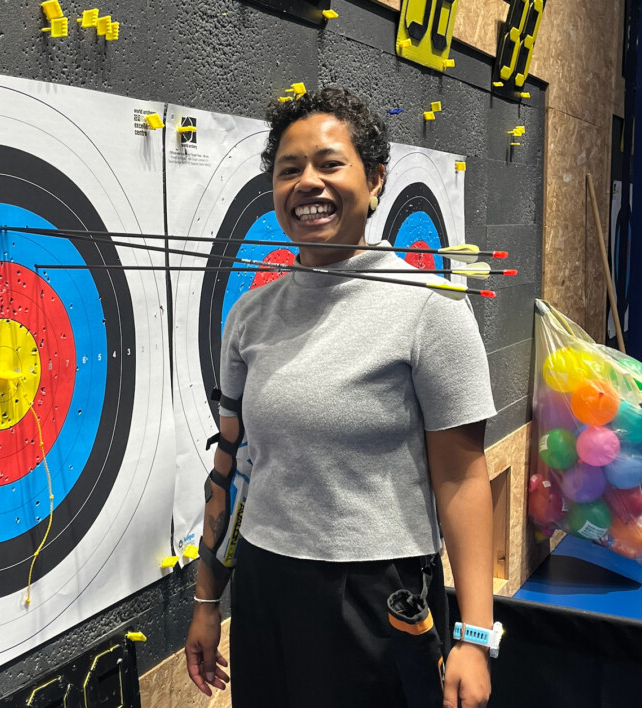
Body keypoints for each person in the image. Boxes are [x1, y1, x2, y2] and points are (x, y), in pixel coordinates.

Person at [184, 87, 497, 708]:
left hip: (378, 596)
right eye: (289, 169)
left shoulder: (430, 310)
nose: (308, 183)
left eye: (330, 164)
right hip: (267, 584)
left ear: (376, 180)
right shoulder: (250, 317)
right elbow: (232, 465)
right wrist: (205, 598)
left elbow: (462, 480)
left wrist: (474, 637)